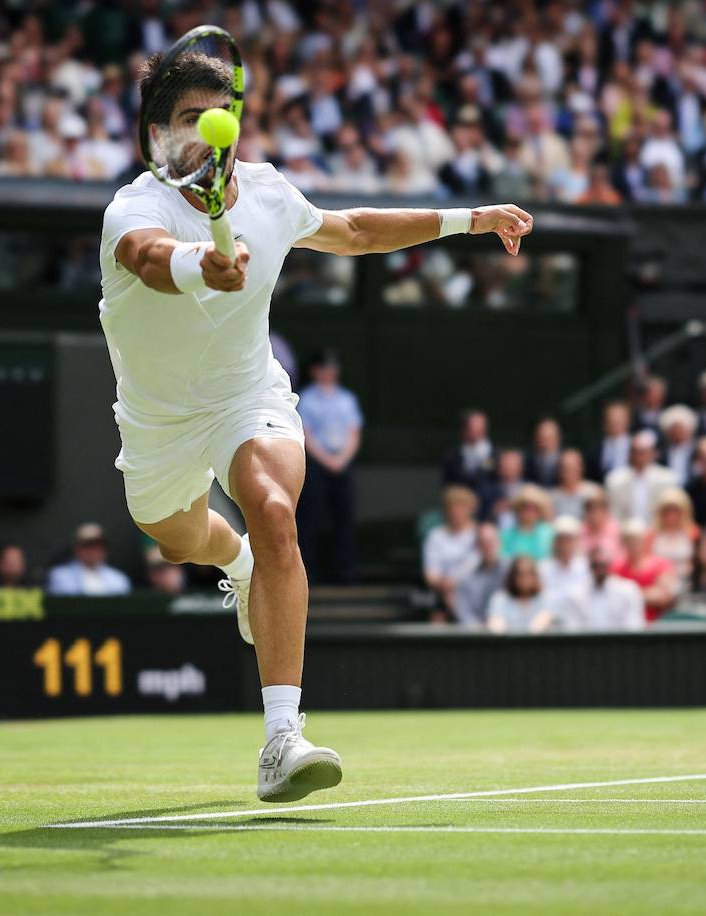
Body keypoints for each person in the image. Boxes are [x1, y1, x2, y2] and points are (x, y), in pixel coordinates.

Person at [101, 50, 535, 801]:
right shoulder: (133, 209)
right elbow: (146, 257)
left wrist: (473, 217)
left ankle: (282, 739)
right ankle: (234, 566)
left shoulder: (268, 194)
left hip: (247, 395)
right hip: (158, 421)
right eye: (183, 122)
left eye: (216, 118)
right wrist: (201, 264)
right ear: (156, 140)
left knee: (273, 511)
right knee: (177, 535)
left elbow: (356, 230)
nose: (204, 137)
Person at [296, 351, 364, 584]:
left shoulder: (347, 399)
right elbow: (306, 434)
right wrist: (327, 460)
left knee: (344, 518)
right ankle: (307, 573)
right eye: (325, 367)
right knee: (310, 518)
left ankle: (345, 572)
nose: (330, 372)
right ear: (315, 371)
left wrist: (342, 460)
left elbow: (354, 432)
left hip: (342, 462)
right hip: (317, 461)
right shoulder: (306, 398)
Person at [422, 486, 480, 619]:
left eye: (461, 507)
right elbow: (430, 572)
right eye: (452, 507)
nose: (456, 512)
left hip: (472, 592)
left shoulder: (479, 534)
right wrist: (443, 585)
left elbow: (476, 565)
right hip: (441, 590)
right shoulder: (435, 535)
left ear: (471, 509)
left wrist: (454, 583)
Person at [611, 519, 679, 619]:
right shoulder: (616, 567)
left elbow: (664, 597)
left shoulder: (661, 564)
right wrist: (648, 593)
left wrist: (629, 596)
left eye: (637, 540)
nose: (633, 545)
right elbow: (613, 599)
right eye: (629, 540)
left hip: (656, 625)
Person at [605, 431, 677, 525]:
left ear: (653, 453)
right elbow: (614, 514)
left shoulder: (667, 479)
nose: (640, 457)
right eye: (636, 452)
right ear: (630, 454)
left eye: (643, 452)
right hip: (625, 534)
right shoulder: (615, 480)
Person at [566, 549, 645, 632]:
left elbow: (634, 626)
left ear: (610, 565)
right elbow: (573, 628)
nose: (599, 570)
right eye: (595, 565)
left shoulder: (629, 590)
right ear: (589, 566)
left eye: (603, 565)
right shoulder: (575, 594)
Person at [47, 524, 132, 596]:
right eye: (88, 545)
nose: (94, 550)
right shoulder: (59, 576)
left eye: (100, 545)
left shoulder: (118, 578)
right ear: (77, 548)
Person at [441, 410, 496, 514]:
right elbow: (447, 485)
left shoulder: (496, 454)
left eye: (480, 426)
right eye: (472, 427)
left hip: (489, 509)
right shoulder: (452, 456)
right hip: (459, 509)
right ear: (464, 429)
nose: (476, 430)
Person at [486, 556, 557, 634]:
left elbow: (544, 619)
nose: (525, 579)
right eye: (520, 574)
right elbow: (496, 625)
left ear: (535, 577)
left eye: (529, 574)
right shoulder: (500, 599)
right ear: (513, 577)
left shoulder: (545, 598)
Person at [453, 523, 504, 627]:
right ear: (477, 546)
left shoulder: (512, 573)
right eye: (483, 543)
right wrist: (480, 630)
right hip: (477, 636)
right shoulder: (466, 578)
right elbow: (464, 613)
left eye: (491, 542)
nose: (488, 547)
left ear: (499, 543)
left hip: (509, 633)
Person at [538, 516, 593, 613]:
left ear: (576, 541)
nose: (564, 544)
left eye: (568, 540)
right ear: (555, 542)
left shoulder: (586, 566)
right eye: (561, 540)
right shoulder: (543, 567)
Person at [589, 400, 633, 482]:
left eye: (619, 418)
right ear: (605, 421)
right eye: (611, 418)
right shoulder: (595, 449)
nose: (615, 421)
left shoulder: (636, 445)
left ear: (628, 420)